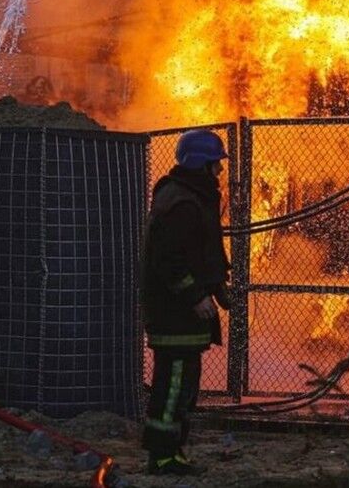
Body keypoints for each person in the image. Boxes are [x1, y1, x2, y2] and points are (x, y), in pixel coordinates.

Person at [141, 129, 231, 476]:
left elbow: (200, 251)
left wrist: (217, 287)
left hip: (180, 316)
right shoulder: (182, 203)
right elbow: (168, 260)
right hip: (175, 315)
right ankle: (163, 456)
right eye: (215, 163)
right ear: (201, 164)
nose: (220, 170)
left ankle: (173, 450)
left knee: (182, 386)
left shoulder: (190, 196)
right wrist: (196, 295)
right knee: (173, 386)